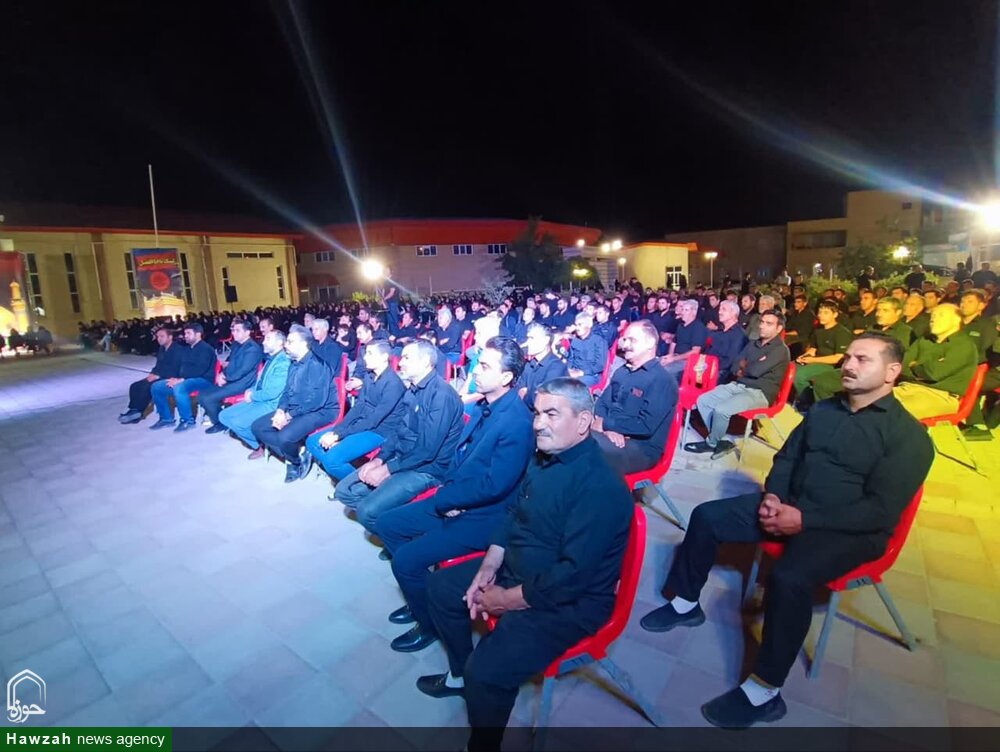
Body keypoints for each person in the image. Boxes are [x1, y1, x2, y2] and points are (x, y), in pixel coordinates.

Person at [641, 333, 934, 729]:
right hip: (789, 505)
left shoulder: (908, 436)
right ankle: (684, 603)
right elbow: (787, 457)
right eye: (848, 357)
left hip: (848, 529)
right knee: (707, 516)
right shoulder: (825, 410)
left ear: (892, 372)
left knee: (789, 578)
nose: (848, 365)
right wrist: (774, 496)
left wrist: (804, 520)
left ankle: (765, 691)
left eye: (862, 359)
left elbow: (879, 512)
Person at [417, 378, 632, 752]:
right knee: (440, 588)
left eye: (552, 414)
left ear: (583, 422)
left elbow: (572, 577)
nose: (538, 424)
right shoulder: (544, 456)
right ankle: (461, 676)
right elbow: (515, 512)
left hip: (569, 602)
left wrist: (505, 599)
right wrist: (489, 565)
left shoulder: (601, 487)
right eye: (537, 413)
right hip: (521, 565)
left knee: (486, 673)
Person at [375, 337, 535, 653]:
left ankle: (429, 623)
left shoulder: (517, 421)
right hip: (458, 498)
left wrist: (452, 500)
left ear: (506, 377)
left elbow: (495, 485)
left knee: (405, 561)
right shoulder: (484, 407)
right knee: (386, 524)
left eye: (485, 366)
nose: (475, 371)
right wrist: (448, 492)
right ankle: (419, 595)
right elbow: (458, 456)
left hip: (486, 516)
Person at [334, 340, 463, 536]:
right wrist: (379, 459)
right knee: (344, 490)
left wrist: (387, 469)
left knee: (366, 512)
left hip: (426, 469)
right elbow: (398, 431)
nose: (400, 362)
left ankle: (400, 537)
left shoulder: (441, 396)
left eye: (407, 358)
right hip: (404, 456)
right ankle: (391, 520)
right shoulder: (413, 389)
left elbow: (427, 451)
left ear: (425, 361)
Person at [686, 309, 790, 459]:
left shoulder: (780, 350)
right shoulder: (753, 344)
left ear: (778, 328)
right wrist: (746, 367)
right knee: (704, 400)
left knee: (722, 410)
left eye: (769, 324)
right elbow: (735, 366)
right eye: (762, 322)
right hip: (739, 385)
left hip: (759, 392)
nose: (762, 326)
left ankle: (712, 443)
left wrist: (745, 366)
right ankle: (719, 441)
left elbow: (755, 371)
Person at [305, 339, 407, 486]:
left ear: (384, 357)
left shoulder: (393, 384)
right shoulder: (370, 376)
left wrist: (340, 436)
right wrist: (337, 431)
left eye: (370, 353)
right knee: (312, 442)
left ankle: (360, 486)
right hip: (363, 423)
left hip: (380, 431)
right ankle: (343, 476)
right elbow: (358, 407)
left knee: (332, 460)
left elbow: (374, 420)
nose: (365, 357)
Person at [251, 324, 339, 482]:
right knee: (258, 427)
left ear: (303, 344)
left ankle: (293, 462)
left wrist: (288, 416)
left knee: (284, 437)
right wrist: (280, 410)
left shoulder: (317, 366)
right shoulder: (293, 363)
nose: (286, 345)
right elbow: (286, 391)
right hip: (297, 407)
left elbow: (315, 401)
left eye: (290, 342)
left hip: (321, 411)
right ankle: (297, 452)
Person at [593, 320, 677, 474]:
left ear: (650, 343)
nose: (625, 345)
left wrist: (606, 425)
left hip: (641, 448)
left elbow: (645, 425)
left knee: (585, 451)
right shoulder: (622, 372)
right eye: (624, 339)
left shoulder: (661, 380)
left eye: (632, 340)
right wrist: (604, 428)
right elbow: (602, 404)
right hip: (611, 436)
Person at [895, 304, 979, 420]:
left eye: (940, 315)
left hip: (940, 396)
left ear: (956, 320)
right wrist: (919, 370)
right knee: (871, 402)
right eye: (933, 316)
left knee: (892, 413)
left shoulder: (963, 345)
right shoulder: (924, 340)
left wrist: (914, 365)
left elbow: (933, 374)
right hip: (908, 388)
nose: (933, 319)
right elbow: (901, 366)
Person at [218, 330, 292, 458]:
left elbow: (272, 393)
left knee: (238, 423)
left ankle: (260, 446)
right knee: (224, 416)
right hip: (260, 398)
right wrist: (252, 390)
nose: (263, 342)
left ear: (280, 342)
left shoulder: (283, 362)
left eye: (268, 339)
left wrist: (252, 396)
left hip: (271, 404)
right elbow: (261, 381)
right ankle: (259, 443)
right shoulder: (271, 358)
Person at [149, 323, 218, 432]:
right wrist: (175, 378)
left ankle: (187, 421)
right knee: (157, 387)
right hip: (187, 379)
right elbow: (182, 367)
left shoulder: (206, 349)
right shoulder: (187, 349)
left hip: (204, 380)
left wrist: (181, 379)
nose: (185, 336)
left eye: (188, 333)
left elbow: (200, 369)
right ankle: (166, 419)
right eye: (185, 333)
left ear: (198, 334)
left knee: (180, 387)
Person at [201, 320, 264, 433]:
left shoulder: (252, 349)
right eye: (233, 330)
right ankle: (222, 417)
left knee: (207, 398)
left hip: (243, 383)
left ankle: (220, 423)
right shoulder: (236, 344)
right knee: (202, 394)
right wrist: (223, 373)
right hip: (232, 379)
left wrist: (225, 376)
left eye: (237, 330)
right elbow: (231, 364)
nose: (234, 333)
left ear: (247, 332)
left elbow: (242, 371)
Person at [119, 326, 184, 424]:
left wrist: (158, 376)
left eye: (162, 336)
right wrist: (153, 373)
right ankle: (134, 411)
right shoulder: (162, 349)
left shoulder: (178, 350)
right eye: (158, 337)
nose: (159, 339)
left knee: (147, 386)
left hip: (172, 376)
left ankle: (138, 411)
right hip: (160, 374)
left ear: (170, 337)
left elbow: (176, 368)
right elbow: (158, 364)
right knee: (135, 386)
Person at [792, 300, 852, 397]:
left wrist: (813, 360)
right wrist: (803, 357)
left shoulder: (842, 333)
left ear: (835, 314)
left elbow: (838, 357)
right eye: (820, 312)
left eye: (826, 313)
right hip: (816, 360)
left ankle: (806, 400)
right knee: (788, 368)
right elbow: (813, 349)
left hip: (831, 365)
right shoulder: (818, 330)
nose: (821, 315)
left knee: (799, 376)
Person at [516, 322, 569, 410]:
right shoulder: (529, 364)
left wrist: (525, 394)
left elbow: (540, 400)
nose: (527, 343)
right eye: (528, 338)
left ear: (546, 340)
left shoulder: (557, 367)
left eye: (532, 338)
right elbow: (518, 387)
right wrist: (527, 394)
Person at [659, 300, 709, 381]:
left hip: (688, 361)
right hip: (676, 357)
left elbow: (695, 351)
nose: (683, 312)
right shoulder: (680, 325)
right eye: (682, 310)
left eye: (686, 310)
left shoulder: (698, 327)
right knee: (654, 364)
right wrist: (670, 356)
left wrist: (673, 359)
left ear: (694, 312)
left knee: (664, 371)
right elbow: (674, 343)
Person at [703, 299, 749, 375]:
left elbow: (730, 361)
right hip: (708, 367)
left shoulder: (739, 335)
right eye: (719, 309)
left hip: (722, 372)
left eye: (723, 309)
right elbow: (707, 352)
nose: (719, 312)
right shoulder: (718, 332)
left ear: (733, 313)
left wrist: (709, 367)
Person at [566, 313, 606, 387]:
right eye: (576, 325)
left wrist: (582, 373)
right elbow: (570, 359)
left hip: (591, 375)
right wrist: (568, 369)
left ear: (589, 325)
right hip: (575, 371)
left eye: (580, 325)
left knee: (572, 385)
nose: (577, 328)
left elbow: (600, 365)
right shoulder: (575, 340)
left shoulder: (598, 341)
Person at [959, 289, 998, 363]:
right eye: (962, 301)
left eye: (970, 302)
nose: (964, 305)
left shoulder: (987, 324)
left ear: (981, 305)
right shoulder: (953, 322)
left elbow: (986, 348)